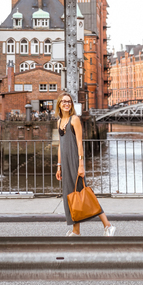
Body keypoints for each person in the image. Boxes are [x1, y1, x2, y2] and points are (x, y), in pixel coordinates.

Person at [55, 93, 115, 237]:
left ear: (71, 104)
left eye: (69, 101)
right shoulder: (59, 122)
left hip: (75, 161)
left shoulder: (74, 119)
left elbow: (80, 143)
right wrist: (58, 165)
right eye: (64, 101)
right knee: (70, 195)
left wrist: (81, 165)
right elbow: (60, 145)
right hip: (65, 162)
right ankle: (76, 230)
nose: (66, 104)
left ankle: (108, 225)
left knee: (84, 194)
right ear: (59, 104)